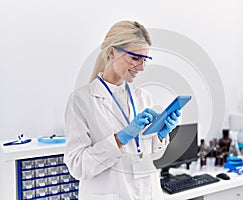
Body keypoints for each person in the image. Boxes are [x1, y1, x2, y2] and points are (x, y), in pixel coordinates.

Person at [64, 20, 181, 200]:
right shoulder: (81, 101)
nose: (141, 67)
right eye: (135, 58)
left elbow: (151, 156)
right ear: (112, 52)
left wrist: (161, 134)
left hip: (148, 193)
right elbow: (77, 166)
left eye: (145, 60)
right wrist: (120, 139)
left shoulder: (143, 97)